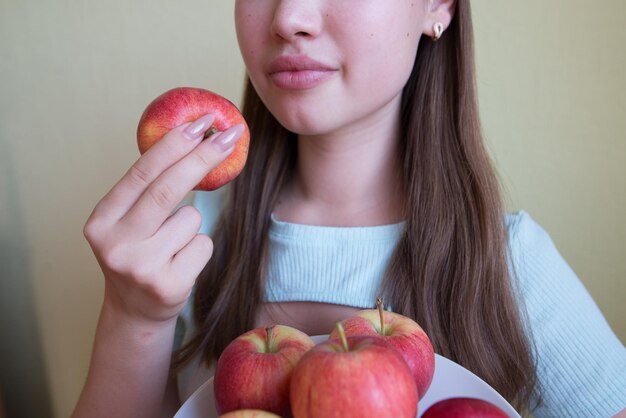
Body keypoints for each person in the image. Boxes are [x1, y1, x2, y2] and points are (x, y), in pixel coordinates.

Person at [72, 1, 626, 417]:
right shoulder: (190, 235)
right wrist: (132, 317)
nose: (289, 17)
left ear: (437, 6)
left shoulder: (510, 264)